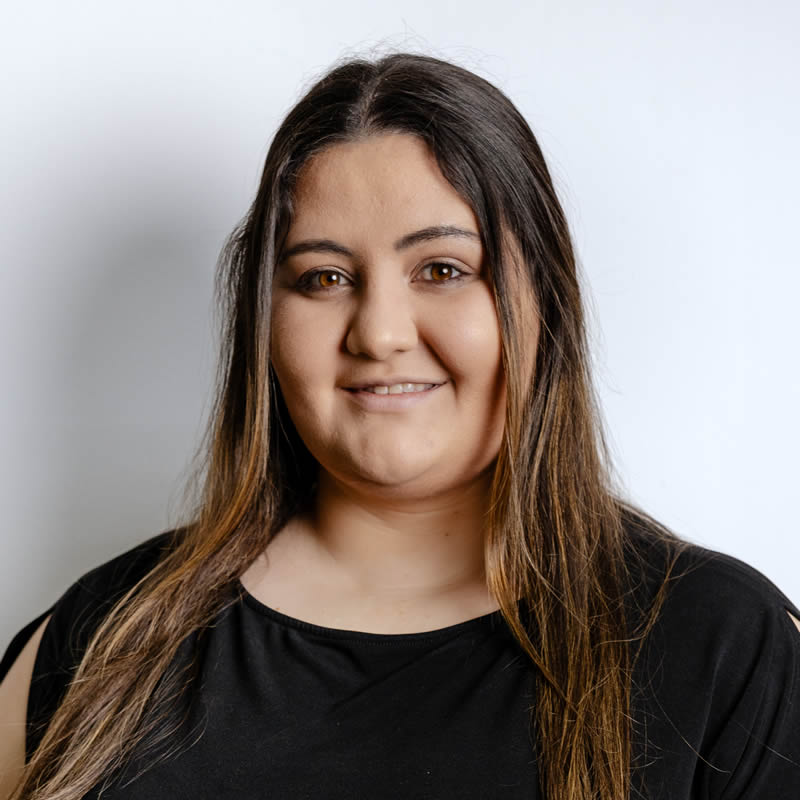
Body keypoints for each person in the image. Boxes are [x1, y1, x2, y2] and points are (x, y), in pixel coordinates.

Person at [1, 51, 798, 800]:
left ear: (543, 304)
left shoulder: (724, 646)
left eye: (443, 270)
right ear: (264, 322)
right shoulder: (99, 640)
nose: (379, 333)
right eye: (324, 278)